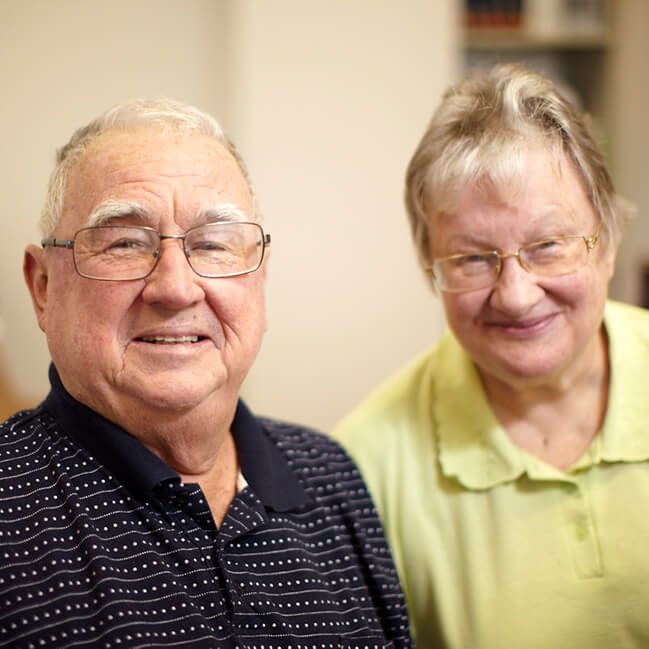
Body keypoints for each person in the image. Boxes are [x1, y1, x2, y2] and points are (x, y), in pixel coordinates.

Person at [0, 98, 413, 649]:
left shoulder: (332, 476)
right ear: (43, 288)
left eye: (213, 244)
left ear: (260, 282)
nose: (176, 287)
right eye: (125, 243)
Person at [334, 63, 649, 649]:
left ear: (607, 241)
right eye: (473, 259)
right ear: (432, 269)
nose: (516, 294)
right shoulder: (364, 468)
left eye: (548, 246)